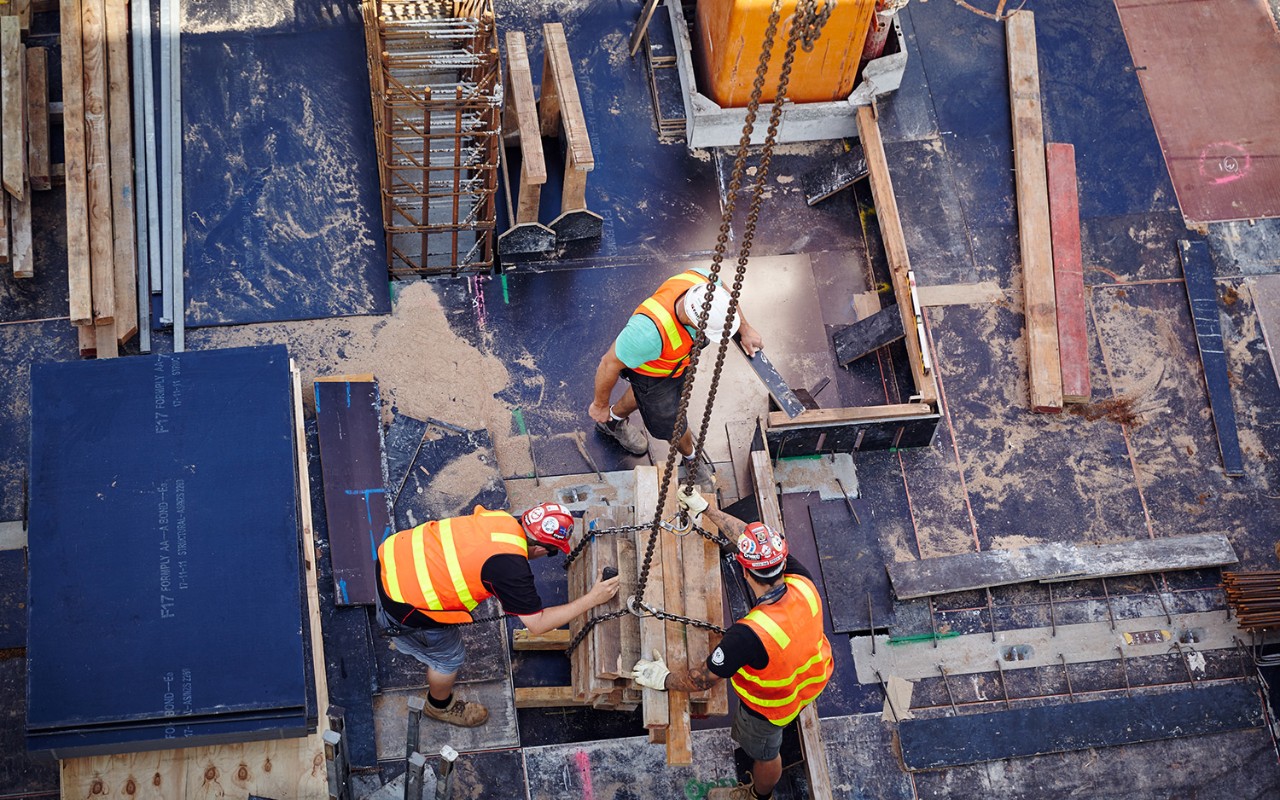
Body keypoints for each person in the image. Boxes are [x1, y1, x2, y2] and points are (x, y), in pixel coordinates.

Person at [630, 489, 833, 800]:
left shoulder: (749, 634)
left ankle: (758, 795)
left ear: (744, 569)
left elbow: (701, 680)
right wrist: (707, 509)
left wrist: (664, 678)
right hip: (814, 677)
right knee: (778, 726)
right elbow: (747, 540)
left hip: (770, 708)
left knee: (765, 752)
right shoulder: (801, 582)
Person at [375, 502, 621, 727]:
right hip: (404, 608)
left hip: (394, 558)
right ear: (538, 546)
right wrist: (593, 599)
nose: (549, 556)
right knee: (448, 659)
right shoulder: (511, 569)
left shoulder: (500, 520)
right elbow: (537, 624)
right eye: (553, 551)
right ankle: (439, 706)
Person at [588, 267, 764, 485]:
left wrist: (744, 329)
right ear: (694, 322)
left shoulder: (700, 282)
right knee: (674, 425)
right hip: (652, 374)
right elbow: (608, 364)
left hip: (676, 363)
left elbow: (721, 287)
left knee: (645, 395)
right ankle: (691, 458)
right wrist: (599, 404)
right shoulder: (646, 334)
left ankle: (612, 423)